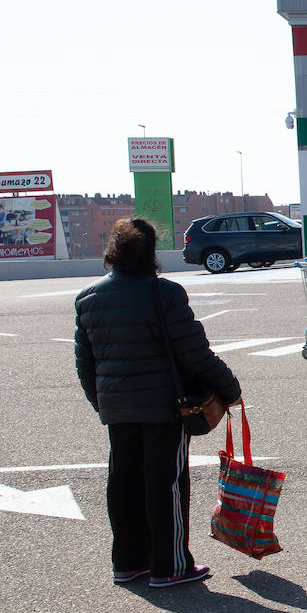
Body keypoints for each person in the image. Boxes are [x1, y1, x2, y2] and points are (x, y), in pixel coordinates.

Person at [74, 217, 241, 588]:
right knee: (165, 484)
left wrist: (102, 404)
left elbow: (85, 364)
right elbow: (195, 353)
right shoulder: (164, 293)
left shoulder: (88, 297)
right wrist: (229, 389)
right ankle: (170, 566)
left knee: (124, 481)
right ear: (150, 252)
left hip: (117, 408)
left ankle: (128, 562)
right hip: (166, 407)